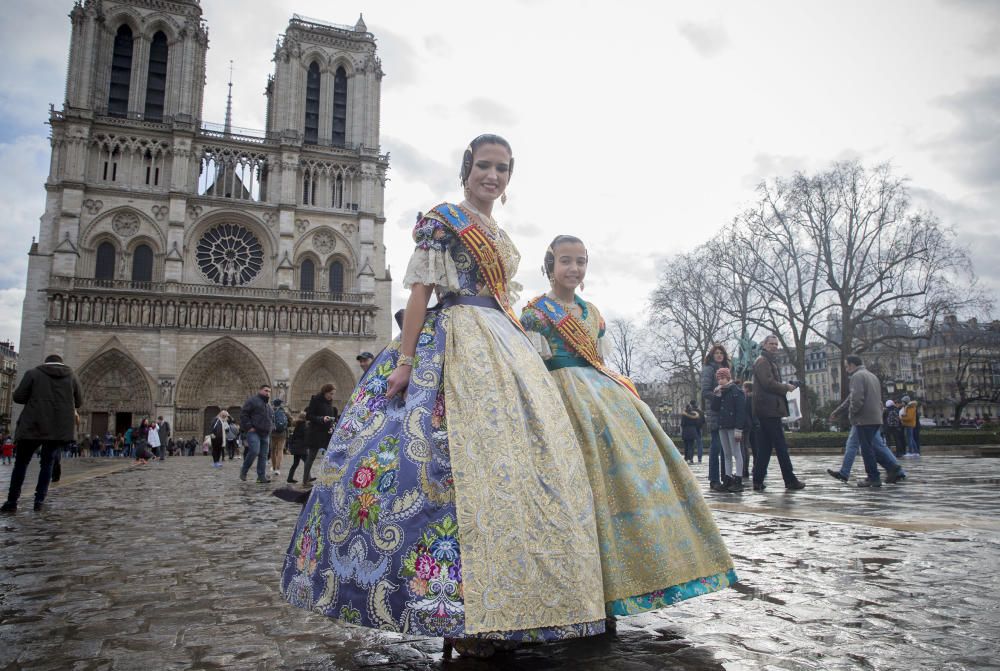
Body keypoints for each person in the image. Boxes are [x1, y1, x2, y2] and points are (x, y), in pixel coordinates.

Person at [280, 134, 606, 657]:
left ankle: (510, 605)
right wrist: (405, 362)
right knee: (445, 472)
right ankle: (457, 614)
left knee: (510, 477)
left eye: (501, 168)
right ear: (466, 169)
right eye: (483, 166)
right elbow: (419, 294)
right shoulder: (442, 220)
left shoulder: (499, 234)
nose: (492, 176)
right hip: (452, 345)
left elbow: (502, 300)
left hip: (501, 346)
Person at [520, 234, 736, 624]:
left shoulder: (593, 314)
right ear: (549, 265)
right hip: (561, 399)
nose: (574, 268)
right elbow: (535, 367)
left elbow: (600, 361)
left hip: (605, 399)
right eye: (566, 261)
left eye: (581, 261)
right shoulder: (535, 313)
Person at [2, 354, 82, 513]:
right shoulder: (72, 377)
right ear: (62, 363)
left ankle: (12, 502)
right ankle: (39, 502)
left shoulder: (33, 373)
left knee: (21, 463)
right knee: (47, 464)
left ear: (45, 362)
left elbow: (18, 397)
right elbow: (79, 402)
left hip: (32, 424)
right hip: (56, 427)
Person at [751, 335, 805, 491]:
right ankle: (789, 480)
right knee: (780, 445)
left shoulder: (769, 361)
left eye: (776, 344)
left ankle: (758, 480)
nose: (774, 346)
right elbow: (767, 383)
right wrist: (785, 387)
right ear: (764, 344)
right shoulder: (762, 361)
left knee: (765, 447)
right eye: (771, 343)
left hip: (768, 408)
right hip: (769, 409)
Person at [839, 355, 889, 487]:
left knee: (867, 449)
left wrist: (852, 414)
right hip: (876, 417)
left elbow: (856, 399)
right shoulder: (872, 376)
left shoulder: (857, 376)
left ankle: (873, 477)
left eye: (846, 366)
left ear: (852, 365)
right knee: (871, 447)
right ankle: (888, 471)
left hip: (864, 418)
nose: (846, 369)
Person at [701, 344, 731, 492]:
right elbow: (705, 391)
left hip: (727, 412)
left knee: (727, 447)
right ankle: (714, 479)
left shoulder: (727, 369)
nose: (719, 355)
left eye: (721, 353)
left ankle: (727, 478)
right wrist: (718, 397)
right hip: (715, 412)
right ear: (712, 355)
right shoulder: (709, 369)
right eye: (716, 353)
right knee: (716, 446)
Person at [711, 367, 746, 492]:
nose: (720, 381)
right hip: (722, 426)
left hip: (733, 426)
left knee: (736, 453)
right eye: (719, 378)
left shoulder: (737, 392)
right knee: (726, 453)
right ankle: (727, 478)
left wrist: (739, 428)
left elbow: (741, 411)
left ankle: (738, 479)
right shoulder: (721, 392)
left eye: (723, 378)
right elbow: (714, 408)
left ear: (728, 378)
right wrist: (716, 396)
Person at [303, 384, 338, 486]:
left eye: (333, 394)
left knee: (330, 456)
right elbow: (309, 416)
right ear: (325, 392)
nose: (332, 396)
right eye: (330, 394)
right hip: (316, 433)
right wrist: (321, 419)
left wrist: (332, 422)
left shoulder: (329, 403)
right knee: (311, 457)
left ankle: (329, 478)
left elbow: (331, 416)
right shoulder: (315, 400)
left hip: (327, 434)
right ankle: (305, 480)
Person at [239, 384, 274, 483]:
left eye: (269, 391)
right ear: (260, 390)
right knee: (254, 451)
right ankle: (244, 470)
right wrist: (249, 427)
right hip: (254, 432)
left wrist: (271, 427)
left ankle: (261, 476)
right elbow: (243, 414)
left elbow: (270, 418)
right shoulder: (252, 401)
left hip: (265, 433)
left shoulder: (268, 405)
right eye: (266, 390)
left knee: (263, 455)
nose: (268, 393)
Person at [284, 411, 308, 483]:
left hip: (296, 447)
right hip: (301, 448)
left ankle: (289, 478)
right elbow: (305, 437)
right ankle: (307, 477)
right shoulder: (304, 426)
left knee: (295, 464)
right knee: (307, 462)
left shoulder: (297, 425)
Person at [269, 398, 289, 477]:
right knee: (280, 450)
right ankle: (278, 469)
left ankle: (274, 468)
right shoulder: (283, 411)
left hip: (273, 433)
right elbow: (289, 421)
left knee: (273, 450)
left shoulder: (270, 411)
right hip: (282, 433)